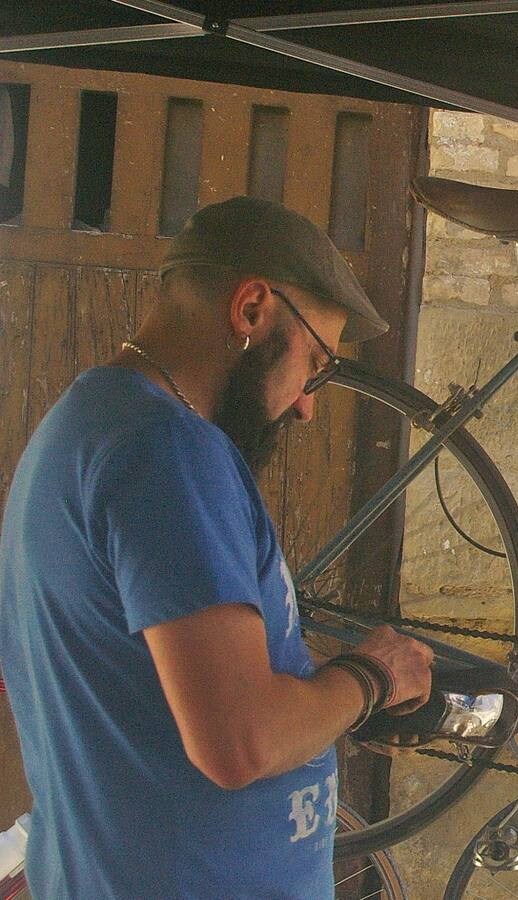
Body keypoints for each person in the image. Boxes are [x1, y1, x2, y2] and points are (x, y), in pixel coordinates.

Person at [0, 196, 436, 898]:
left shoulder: (88, 423)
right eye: (315, 362)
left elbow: (148, 690)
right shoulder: (167, 451)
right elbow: (239, 742)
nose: (306, 404)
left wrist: (324, 703)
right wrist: (372, 676)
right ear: (253, 308)